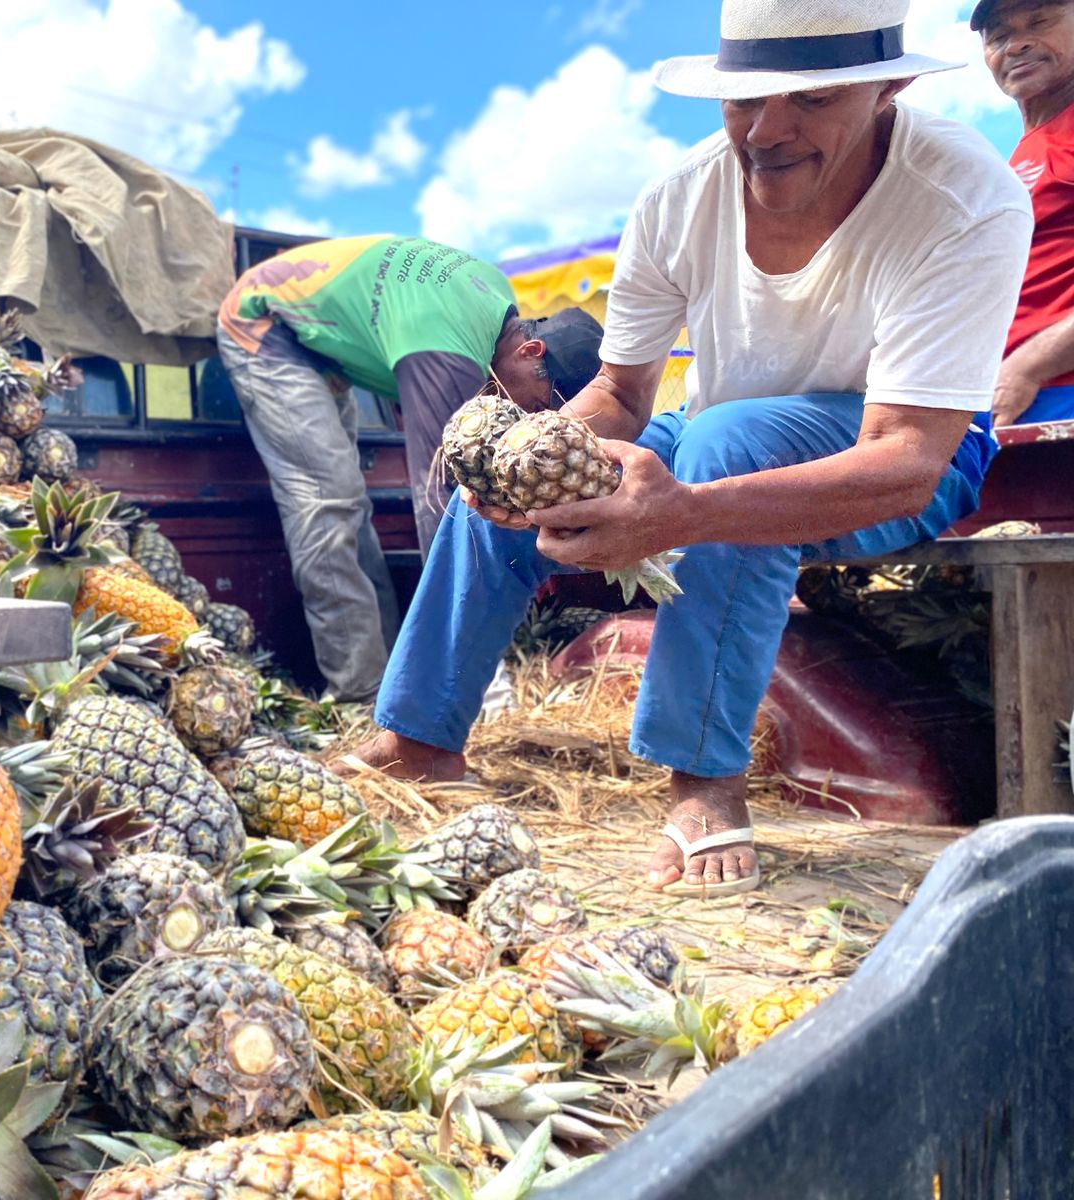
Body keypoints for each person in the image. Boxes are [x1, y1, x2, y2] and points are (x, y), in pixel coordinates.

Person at [341, 0, 1033, 896]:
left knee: (724, 444)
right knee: (524, 456)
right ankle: (419, 735)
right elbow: (624, 395)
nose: (767, 131)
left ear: (886, 89)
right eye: (744, 99)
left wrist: (684, 513)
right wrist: (528, 458)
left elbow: (907, 457)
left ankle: (704, 778)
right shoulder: (679, 198)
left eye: (810, 101)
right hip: (714, 424)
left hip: (897, 445)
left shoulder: (963, 197)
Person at [216, 236, 604, 702]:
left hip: (325, 338)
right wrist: (482, 671)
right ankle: (361, 693)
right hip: (266, 323)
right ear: (530, 352)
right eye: (541, 404)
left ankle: (386, 680)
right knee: (328, 501)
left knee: (350, 504)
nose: (532, 418)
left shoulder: (495, 300)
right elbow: (441, 506)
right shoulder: (447, 349)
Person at [975, 0, 1074, 425]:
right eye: (999, 36)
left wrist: (1029, 367)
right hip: (1007, 399)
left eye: (1039, 22)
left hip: (1054, 394)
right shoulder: (1023, 152)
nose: (1016, 45)